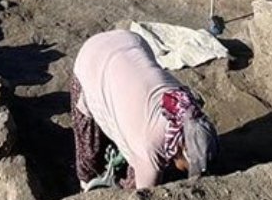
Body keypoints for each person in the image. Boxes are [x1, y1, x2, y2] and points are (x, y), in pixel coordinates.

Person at [70, 30, 218, 191]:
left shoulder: (190, 111)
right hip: (92, 59)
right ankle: (85, 184)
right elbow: (142, 195)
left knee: (129, 132)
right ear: (182, 148)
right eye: (188, 168)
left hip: (130, 42)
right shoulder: (150, 145)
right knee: (90, 149)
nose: (186, 172)